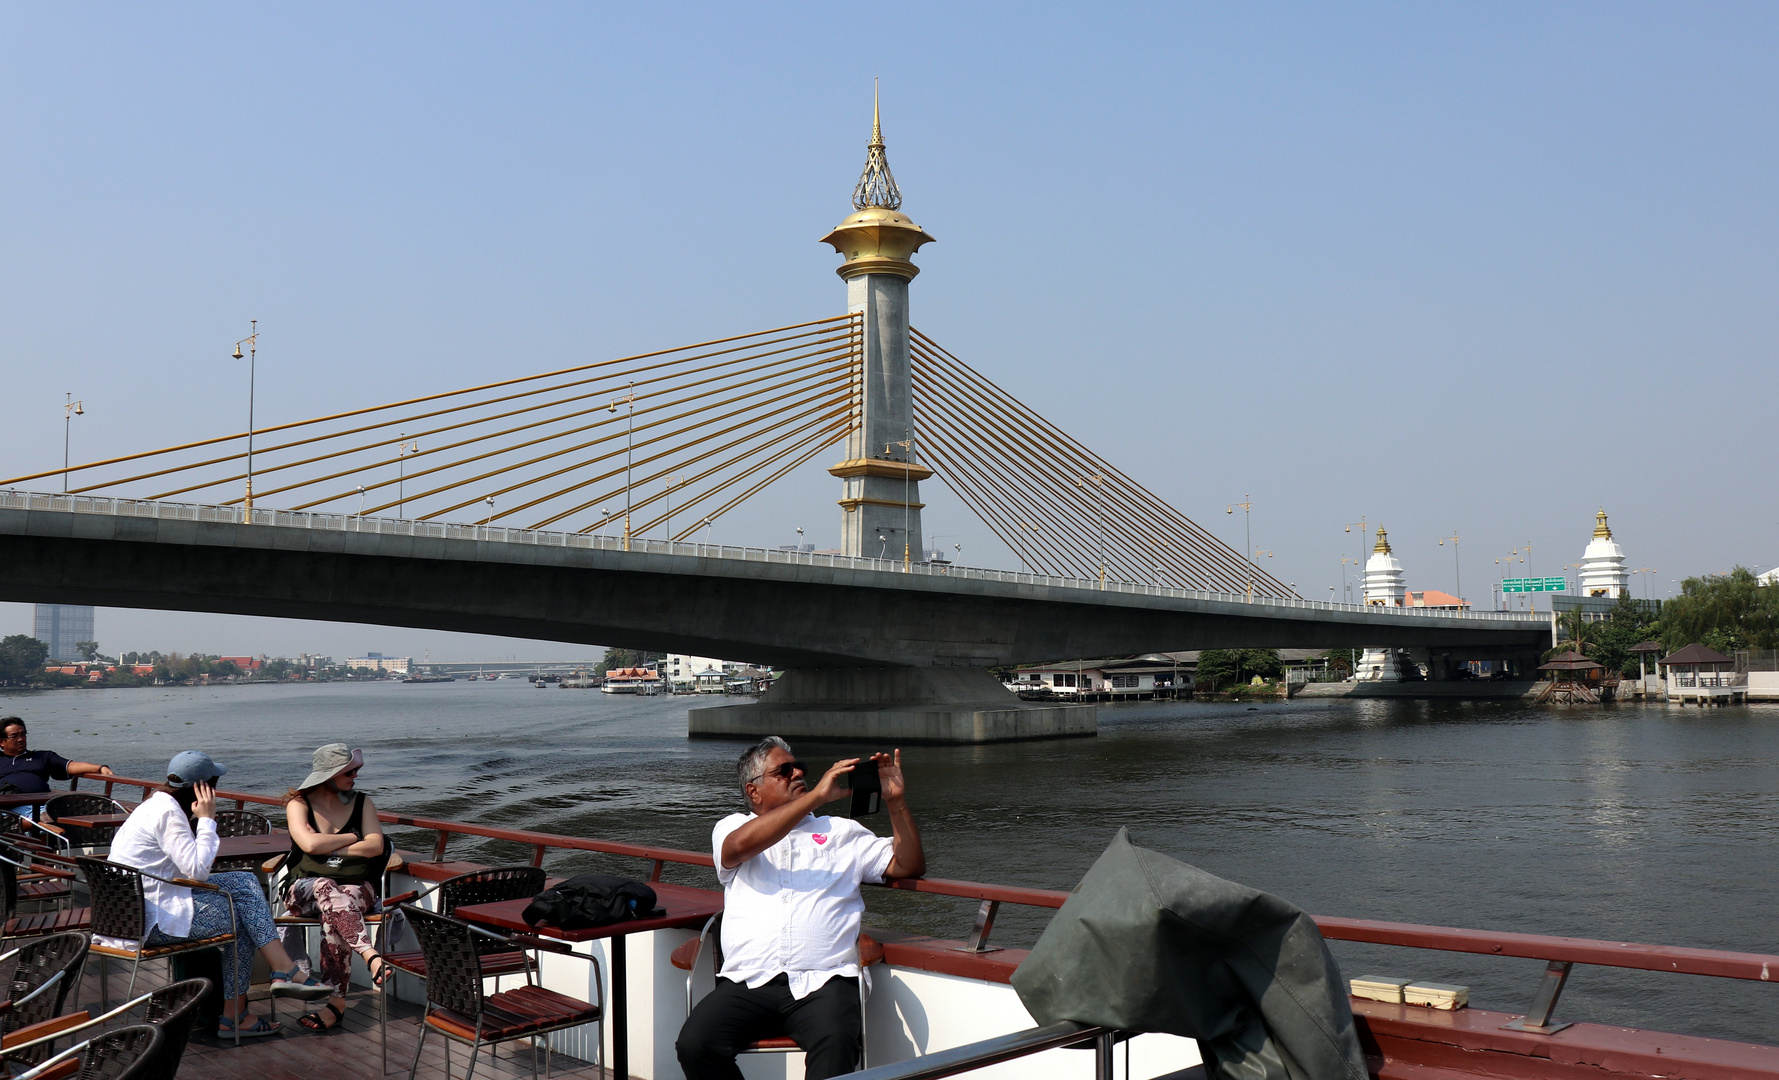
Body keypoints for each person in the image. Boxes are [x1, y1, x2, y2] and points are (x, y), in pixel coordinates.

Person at [676, 737, 926, 1080]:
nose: (798, 773)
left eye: (800, 769)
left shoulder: (840, 832)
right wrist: (817, 796)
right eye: (784, 771)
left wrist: (896, 804)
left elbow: (908, 865)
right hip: (749, 981)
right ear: (754, 792)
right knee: (694, 1045)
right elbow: (737, 848)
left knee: (837, 1044)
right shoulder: (732, 826)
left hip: (825, 980)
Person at [104, 750, 331, 1037]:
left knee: (244, 881)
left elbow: (184, 869)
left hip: (131, 912)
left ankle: (279, 971)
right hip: (149, 923)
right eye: (214, 784)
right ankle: (238, 1013)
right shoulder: (169, 815)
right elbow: (196, 871)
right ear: (202, 787)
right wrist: (207, 819)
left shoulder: (154, 805)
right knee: (244, 920)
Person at [280, 743, 392, 1032]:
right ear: (329, 774)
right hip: (304, 887)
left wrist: (330, 848)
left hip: (356, 886)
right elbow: (309, 844)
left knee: (340, 903)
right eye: (350, 771)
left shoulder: (362, 802)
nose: (355, 776)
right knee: (326, 885)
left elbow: (377, 845)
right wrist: (355, 838)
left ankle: (336, 1004)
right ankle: (371, 956)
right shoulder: (299, 804)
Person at [0, 716, 114, 803]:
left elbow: (71, 766)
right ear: (1, 742)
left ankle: (33, 825)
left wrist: (100, 768)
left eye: (23, 734)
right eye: (14, 736)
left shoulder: (42, 757)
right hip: (9, 806)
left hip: (40, 804)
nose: (20, 739)